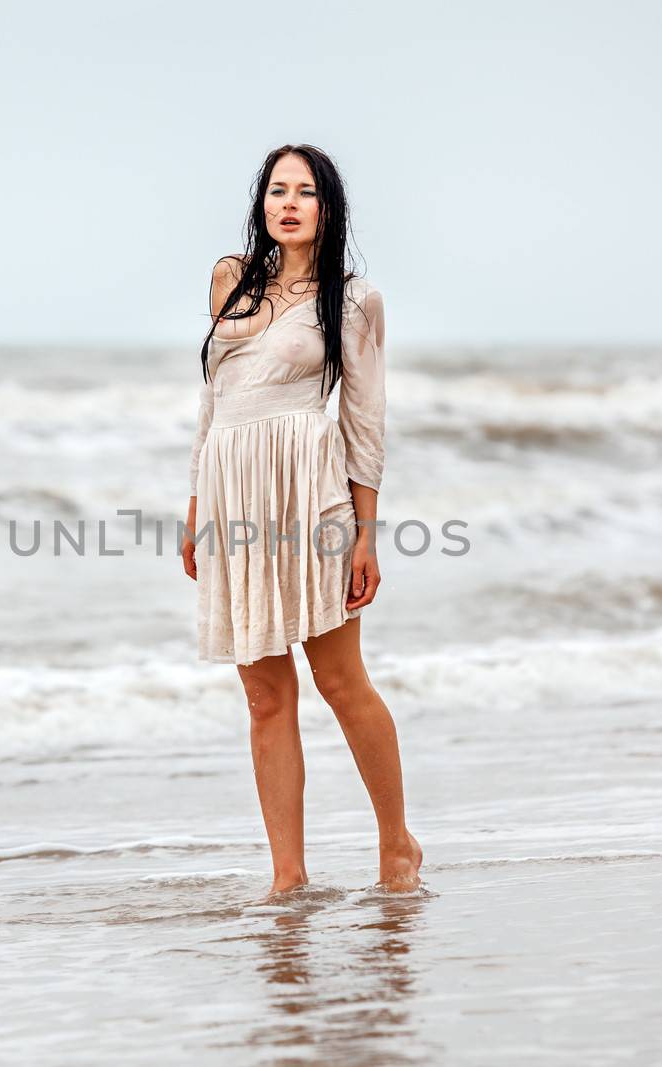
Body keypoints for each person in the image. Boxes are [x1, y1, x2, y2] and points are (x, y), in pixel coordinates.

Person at [179, 144, 422, 898]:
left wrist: (364, 530)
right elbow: (213, 397)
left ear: (327, 208)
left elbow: (363, 418)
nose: (288, 203)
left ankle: (397, 844)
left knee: (340, 680)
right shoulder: (230, 278)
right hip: (232, 492)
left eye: (305, 192)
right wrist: (195, 503)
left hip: (307, 491)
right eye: (277, 191)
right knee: (264, 694)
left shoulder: (352, 299)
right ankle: (289, 874)